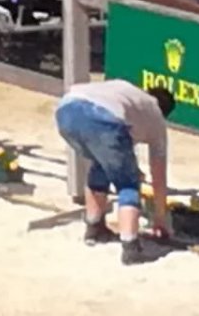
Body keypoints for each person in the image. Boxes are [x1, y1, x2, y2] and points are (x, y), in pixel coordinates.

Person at [55, 78, 174, 265]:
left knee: (101, 164)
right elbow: (158, 175)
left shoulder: (127, 92)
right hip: (104, 119)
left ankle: (94, 227)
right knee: (127, 183)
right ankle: (130, 246)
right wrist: (160, 217)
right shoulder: (156, 118)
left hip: (66, 111)